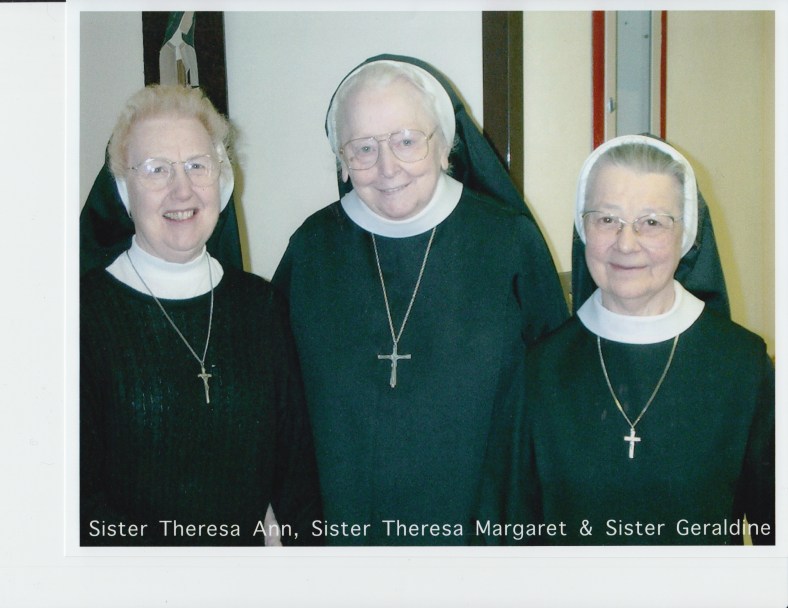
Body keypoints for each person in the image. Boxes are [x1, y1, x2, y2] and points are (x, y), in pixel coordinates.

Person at [272, 55, 569, 545]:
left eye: (407, 141)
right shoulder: (312, 249)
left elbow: (554, 393)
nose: (388, 168)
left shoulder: (508, 242)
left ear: (444, 145)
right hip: (344, 536)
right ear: (342, 161)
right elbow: (278, 402)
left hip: (481, 538)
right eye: (363, 148)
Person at [477, 134, 774, 545]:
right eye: (606, 219)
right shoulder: (540, 369)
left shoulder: (744, 364)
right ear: (583, 227)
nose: (626, 243)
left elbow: (772, 531)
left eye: (651, 222)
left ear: (685, 234)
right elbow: (512, 530)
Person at [80, 84, 321, 546]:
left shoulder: (262, 306)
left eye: (196, 165)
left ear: (222, 179)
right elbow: (77, 500)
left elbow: (298, 478)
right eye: (156, 170)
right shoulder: (81, 316)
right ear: (124, 191)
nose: (182, 189)